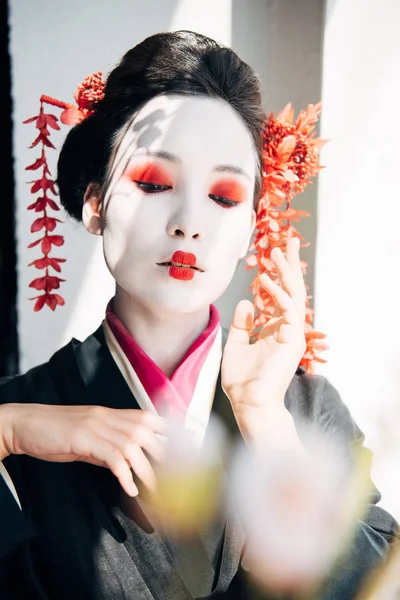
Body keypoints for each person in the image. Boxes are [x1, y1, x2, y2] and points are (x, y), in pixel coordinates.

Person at [0, 30, 397, 600]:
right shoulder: (26, 417)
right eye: (155, 182)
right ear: (94, 204)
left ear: (249, 229)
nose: (190, 221)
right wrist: (10, 430)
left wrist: (266, 423)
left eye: (224, 196)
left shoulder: (304, 412)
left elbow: (377, 585)